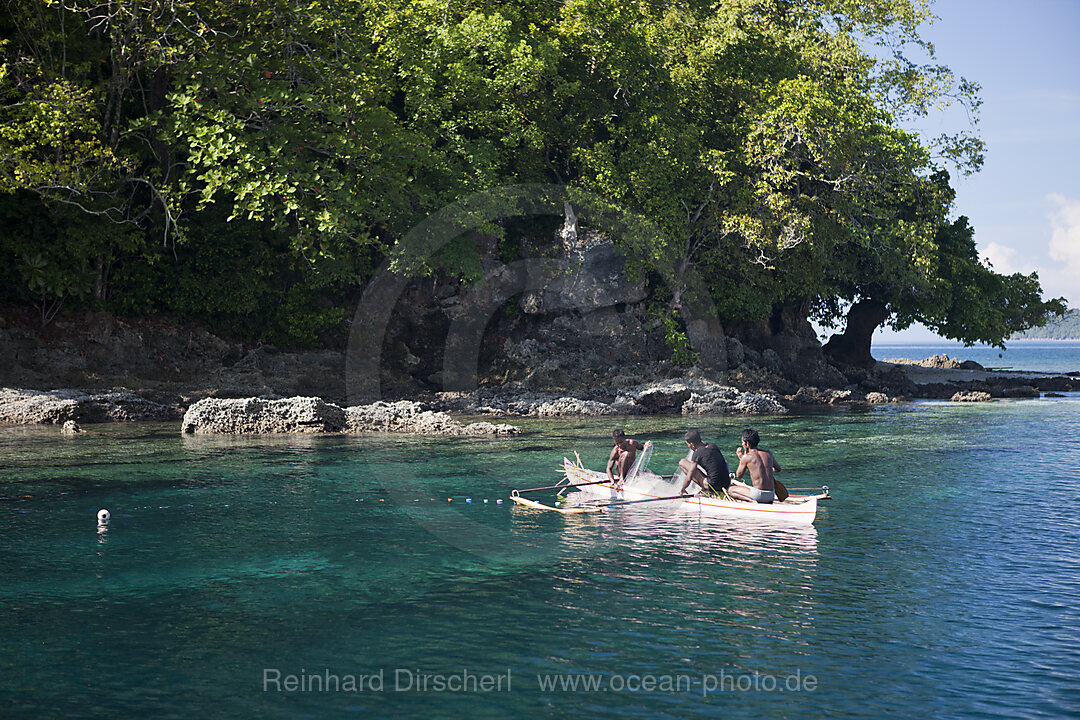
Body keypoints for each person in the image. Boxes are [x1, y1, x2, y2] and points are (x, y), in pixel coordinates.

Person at [677, 429, 730, 498]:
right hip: (726, 483)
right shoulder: (713, 445)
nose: (689, 447)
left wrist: (683, 489)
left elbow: (689, 477)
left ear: (692, 445)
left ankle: (706, 489)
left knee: (682, 462)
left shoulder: (697, 453)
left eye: (688, 445)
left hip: (714, 486)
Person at [730, 428, 778, 503]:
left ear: (747, 443)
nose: (742, 444)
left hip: (758, 495)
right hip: (771, 495)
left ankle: (752, 501)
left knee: (731, 490)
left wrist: (741, 457)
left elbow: (739, 476)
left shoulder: (746, 457)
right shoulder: (769, 454)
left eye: (742, 442)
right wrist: (766, 470)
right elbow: (778, 469)